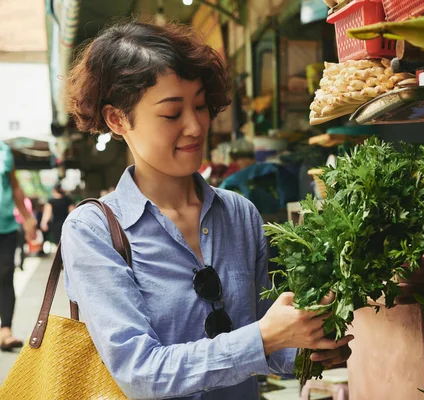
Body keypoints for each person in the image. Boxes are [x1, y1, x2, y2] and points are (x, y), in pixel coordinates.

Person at [62, 21, 352, 399]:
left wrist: (311, 342)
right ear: (118, 119)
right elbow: (140, 374)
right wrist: (264, 337)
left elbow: (269, 346)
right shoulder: (93, 230)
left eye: (200, 106)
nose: (195, 127)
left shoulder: (239, 213)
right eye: (171, 114)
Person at [0, 141, 37, 351]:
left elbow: (14, 185)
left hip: (5, 225)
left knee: (5, 274)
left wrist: (28, 218)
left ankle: (5, 330)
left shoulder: (4, 151)